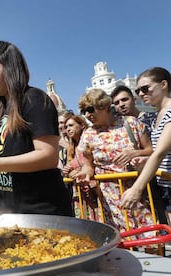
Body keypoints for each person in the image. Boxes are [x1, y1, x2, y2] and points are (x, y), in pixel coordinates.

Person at [0, 41, 73, 216]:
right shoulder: (1, 107)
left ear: (11, 67)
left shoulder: (34, 99)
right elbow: (4, 156)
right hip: (11, 211)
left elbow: (48, 156)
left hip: (42, 212)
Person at [74, 88, 154, 234]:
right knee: (120, 239)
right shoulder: (88, 134)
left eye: (90, 109)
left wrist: (135, 153)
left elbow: (150, 150)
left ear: (104, 106)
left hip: (138, 190)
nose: (87, 115)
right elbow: (88, 166)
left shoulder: (131, 123)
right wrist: (84, 174)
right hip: (109, 197)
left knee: (148, 237)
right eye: (83, 111)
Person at [121, 67, 171, 225]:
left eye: (145, 88)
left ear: (163, 84)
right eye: (138, 91)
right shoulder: (159, 115)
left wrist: (137, 188)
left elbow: (160, 153)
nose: (141, 94)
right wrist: (145, 161)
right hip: (165, 185)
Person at [111, 84, 167, 224]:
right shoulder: (118, 126)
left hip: (162, 176)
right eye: (117, 103)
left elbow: (158, 148)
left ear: (134, 99)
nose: (121, 105)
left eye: (124, 100)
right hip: (139, 181)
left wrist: (135, 153)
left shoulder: (154, 118)